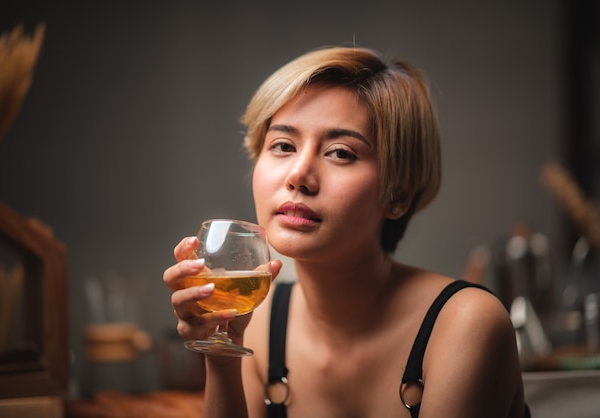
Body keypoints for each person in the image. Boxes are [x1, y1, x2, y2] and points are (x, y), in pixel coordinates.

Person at [164, 46, 529, 418]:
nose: (298, 176)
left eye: (340, 153)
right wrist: (223, 356)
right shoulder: (259, 319)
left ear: (398, 195)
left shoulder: (467, 324)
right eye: (283, 146)